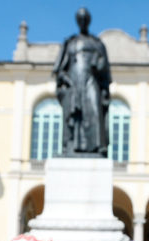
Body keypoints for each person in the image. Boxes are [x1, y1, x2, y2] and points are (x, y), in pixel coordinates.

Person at [52, 7, 111, 156]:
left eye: (85, 18)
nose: (83, 21)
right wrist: (64, 79)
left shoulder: (97, 43)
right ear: (77, 21)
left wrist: (99, 66)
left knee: (94, 110)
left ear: (89, 21)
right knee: (75, 114)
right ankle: (71, 146)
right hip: (74, 81)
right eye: (80, 18)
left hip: (91, 80)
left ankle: (96, 147)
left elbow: (105, 69)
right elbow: (59, 69)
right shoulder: (70, 43)